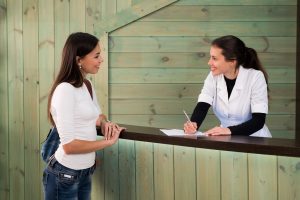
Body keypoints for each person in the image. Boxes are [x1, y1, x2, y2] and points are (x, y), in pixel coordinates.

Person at [43, 32, 125, 200]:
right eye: (96, 56)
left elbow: (97, 115)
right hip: (64, 175)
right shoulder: (65, 90)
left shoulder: (86, 85)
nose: (101, 60)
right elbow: (69, 146)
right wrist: (107, 142)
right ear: (79, 60)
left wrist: (105, 123)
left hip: (85, 173)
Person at [184, 35, 271, 137]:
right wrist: (194, 124)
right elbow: (202, 106)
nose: (209, 62)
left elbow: (258, 121)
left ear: (232, 61)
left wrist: (228, 131)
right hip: (226, 138)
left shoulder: (255, 77)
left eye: (214, 58)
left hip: (255, 139)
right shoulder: (213, 76)